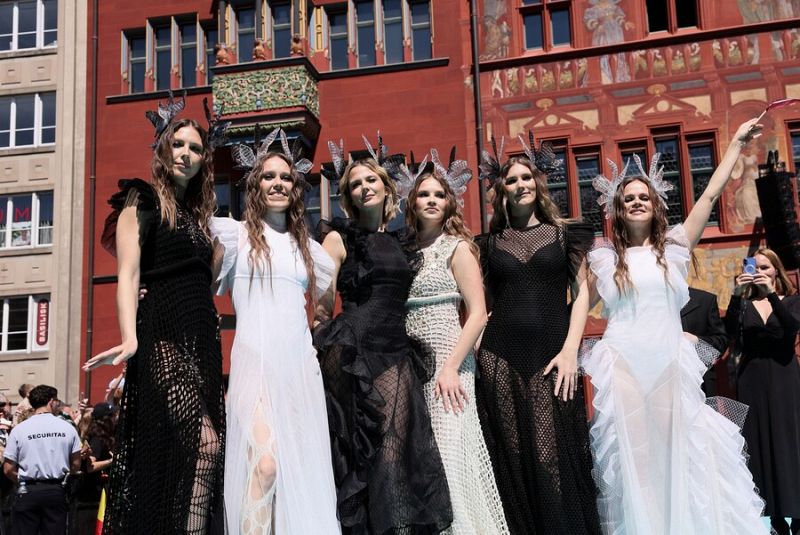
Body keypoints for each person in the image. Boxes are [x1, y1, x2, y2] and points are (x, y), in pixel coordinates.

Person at [581, 119, 767, 533]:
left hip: (666, 358)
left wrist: (735, 142)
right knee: (634, 461)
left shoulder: (677, 247)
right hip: (624, 359)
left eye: (643, 197)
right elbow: (576, 305)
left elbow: (711, 194)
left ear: (656, 204)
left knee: (674, 452)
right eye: (628, 198)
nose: (635, 202)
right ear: (617, 207)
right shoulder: (604, 258)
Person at [83, 94, 226, 534]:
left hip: (201, 337)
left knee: (185, 450)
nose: (187, 154)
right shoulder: (141, 201)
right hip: (161, 333)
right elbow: (126, 275)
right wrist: (130, 339)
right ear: (163, 151)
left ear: (205, 160)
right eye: (178, 145)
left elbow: (209, 275)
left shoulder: (200, 216)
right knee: (206, 444)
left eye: (196, 149)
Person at [314, 137, 452, 534]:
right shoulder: (338, 239)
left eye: (371, 179)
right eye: (356, 184)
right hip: (356, 352)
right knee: (367, 453)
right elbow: (322, 310)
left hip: (396, 350)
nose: (364, 187)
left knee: (397, 451)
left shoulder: (401, 240)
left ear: (386, 188)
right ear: (350, 197)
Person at [211, 129, 339, 534]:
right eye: (269, 176)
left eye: (285, 177)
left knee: (298, 477)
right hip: (255, 366)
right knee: (264, 468)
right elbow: (198, 281)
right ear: (255, 184)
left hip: (298, 372)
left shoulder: (312, 252)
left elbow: (323, 309)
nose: (278, 183)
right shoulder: (233, 237)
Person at [475, 135, 600, 534]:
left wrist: (569, 352)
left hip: (552, 356)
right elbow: (481, 305)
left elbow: (580, 297)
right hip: (500, 359)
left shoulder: (565, 235)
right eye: (511, 180)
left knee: (550, 457)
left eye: (526, 177)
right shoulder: (488, 244)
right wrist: (479, 348)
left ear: (537, 182)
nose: (520, 185)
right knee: (513, 457)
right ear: (502, 191)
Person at [404, 151, 509, 535]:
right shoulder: (405, 251)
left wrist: (451, 367)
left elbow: (478, 312)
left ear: (449, 203)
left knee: (450, 460)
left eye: (438, 194)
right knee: (422, 463)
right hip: (413, 366)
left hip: (450, 364)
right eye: (423, 194)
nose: (431, 200)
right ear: (412, 203)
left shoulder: (458, 248)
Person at [725, 248, 800, 535]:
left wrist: (770, 294)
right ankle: (774, 516)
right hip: (752, 378)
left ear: (776, 271)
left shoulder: (791, 301)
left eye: (766, 267)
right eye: (755, 266)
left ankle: (797, 510)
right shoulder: (744, 306)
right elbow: (730, 331)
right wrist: (735, 295)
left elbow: (792, 327)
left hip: (784, 377)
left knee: (788, 441)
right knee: (758, 444)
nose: (760, 272)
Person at [2, 385, 81, 535]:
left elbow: (8, 469)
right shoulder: (67, 427)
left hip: (27, 491)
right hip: (56, 490)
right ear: (51, 401)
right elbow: (76, 464)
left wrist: (22, 480)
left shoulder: (19, 429)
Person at [681, 287, 729, 395]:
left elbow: (721, 341)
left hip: (699, 382)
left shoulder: (705, 300)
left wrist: (696, 340)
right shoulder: (649, 301)